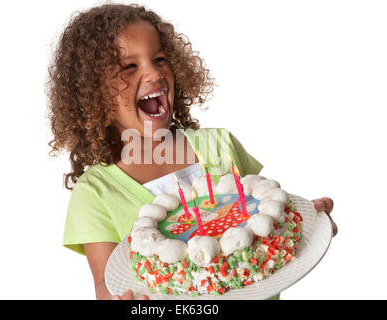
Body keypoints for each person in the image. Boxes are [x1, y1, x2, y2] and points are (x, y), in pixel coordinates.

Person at [46, 3, 337, 300]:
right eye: (129, 67)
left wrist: (301, 225)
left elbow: (265, 220)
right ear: (94, 93)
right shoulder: (95, 193)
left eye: (160, 59)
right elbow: (106, 287)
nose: (153, 73)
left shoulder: (220, 146)